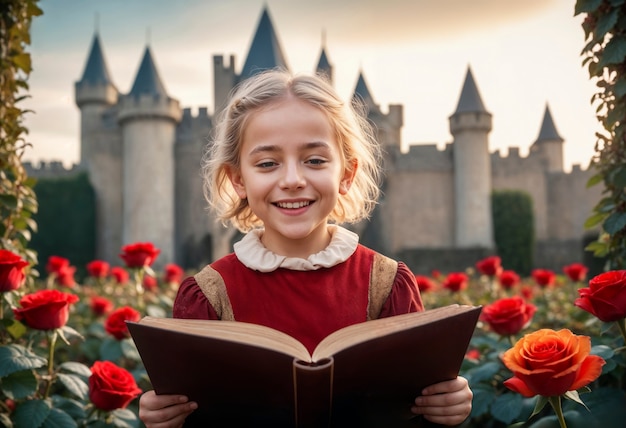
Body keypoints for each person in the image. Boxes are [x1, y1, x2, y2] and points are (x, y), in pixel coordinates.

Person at [139, 69, 473, 427]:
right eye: (267, 163)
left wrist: (446, 405)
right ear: (239, 180)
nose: (293, 180)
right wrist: (165, 418)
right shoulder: (207, 295)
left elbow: (414, 404)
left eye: (314, 160)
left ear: (346, 174)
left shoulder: (388, 284)